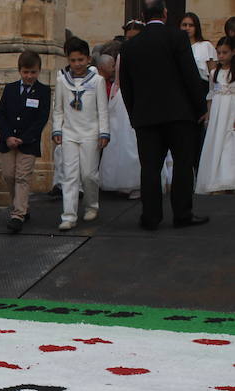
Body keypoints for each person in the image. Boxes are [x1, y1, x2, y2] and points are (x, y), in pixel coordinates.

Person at [119, 0, 208, 230]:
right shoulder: (177, 38)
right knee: (182, 165)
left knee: (149, 168)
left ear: (142, 16)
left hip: (146, 117)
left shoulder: (130, 46)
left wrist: (133, 114)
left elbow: (126, 86)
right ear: (165, 14)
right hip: (179, 115)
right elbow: (190, 75)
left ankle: (150, 216)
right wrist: (200, 108)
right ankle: (182, 214)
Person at [51, 37, 109, 230]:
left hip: (90, 133)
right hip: (69, 133)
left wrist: (104, 132)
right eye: (73, 60)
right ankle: (69, 215)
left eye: (81, 60)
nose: (77, 64)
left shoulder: (98, 80)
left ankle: (92, 205)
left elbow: (103, 109)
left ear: (88, 59)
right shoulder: (62, 80)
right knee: (70, 175)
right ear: (68, 60)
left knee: (89, 175)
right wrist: (57, 129)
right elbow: (58, 109)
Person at [0, 50, 52, 233]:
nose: (29, 76)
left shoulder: (43, 91)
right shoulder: (10, 88)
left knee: (22, 176)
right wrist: (7, 136)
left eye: (33, 72)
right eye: (26, 72)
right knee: (8, 175)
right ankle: (21, 205)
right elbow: (0, 114)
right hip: (8, 141)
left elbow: (41, 118)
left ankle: (18, 214)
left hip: (29, 142)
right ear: (19, 70)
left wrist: (24, 138)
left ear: (39, 71)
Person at [100, 52, 142, 199]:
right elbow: (117, 80)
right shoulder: (122, 55)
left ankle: (135, 183)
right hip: (125, 96)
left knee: (130, 139)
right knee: (122, 138)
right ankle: (125, 182)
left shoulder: (124, 55)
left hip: (132, 94)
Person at [195, 37, 234, 194]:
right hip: (218, 112)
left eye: (225, 52)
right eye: (219, 53)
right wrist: (209, 116)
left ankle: (229, 179)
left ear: (233, 52)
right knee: (217, 142)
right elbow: (210, 95)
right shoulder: (213, 72)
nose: (221, 56)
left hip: (231, 110)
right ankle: (216, 180)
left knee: (230, 144)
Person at [180, 12, 218, 171]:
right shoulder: (177, 46)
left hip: (202, 88)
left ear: (197, 27)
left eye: (191, 25)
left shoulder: (206, 46)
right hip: (182, 90)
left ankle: (200, 167)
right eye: (184, 25)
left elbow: (213, 73)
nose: (187, 28)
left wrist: (212, 97)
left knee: (199, 129)